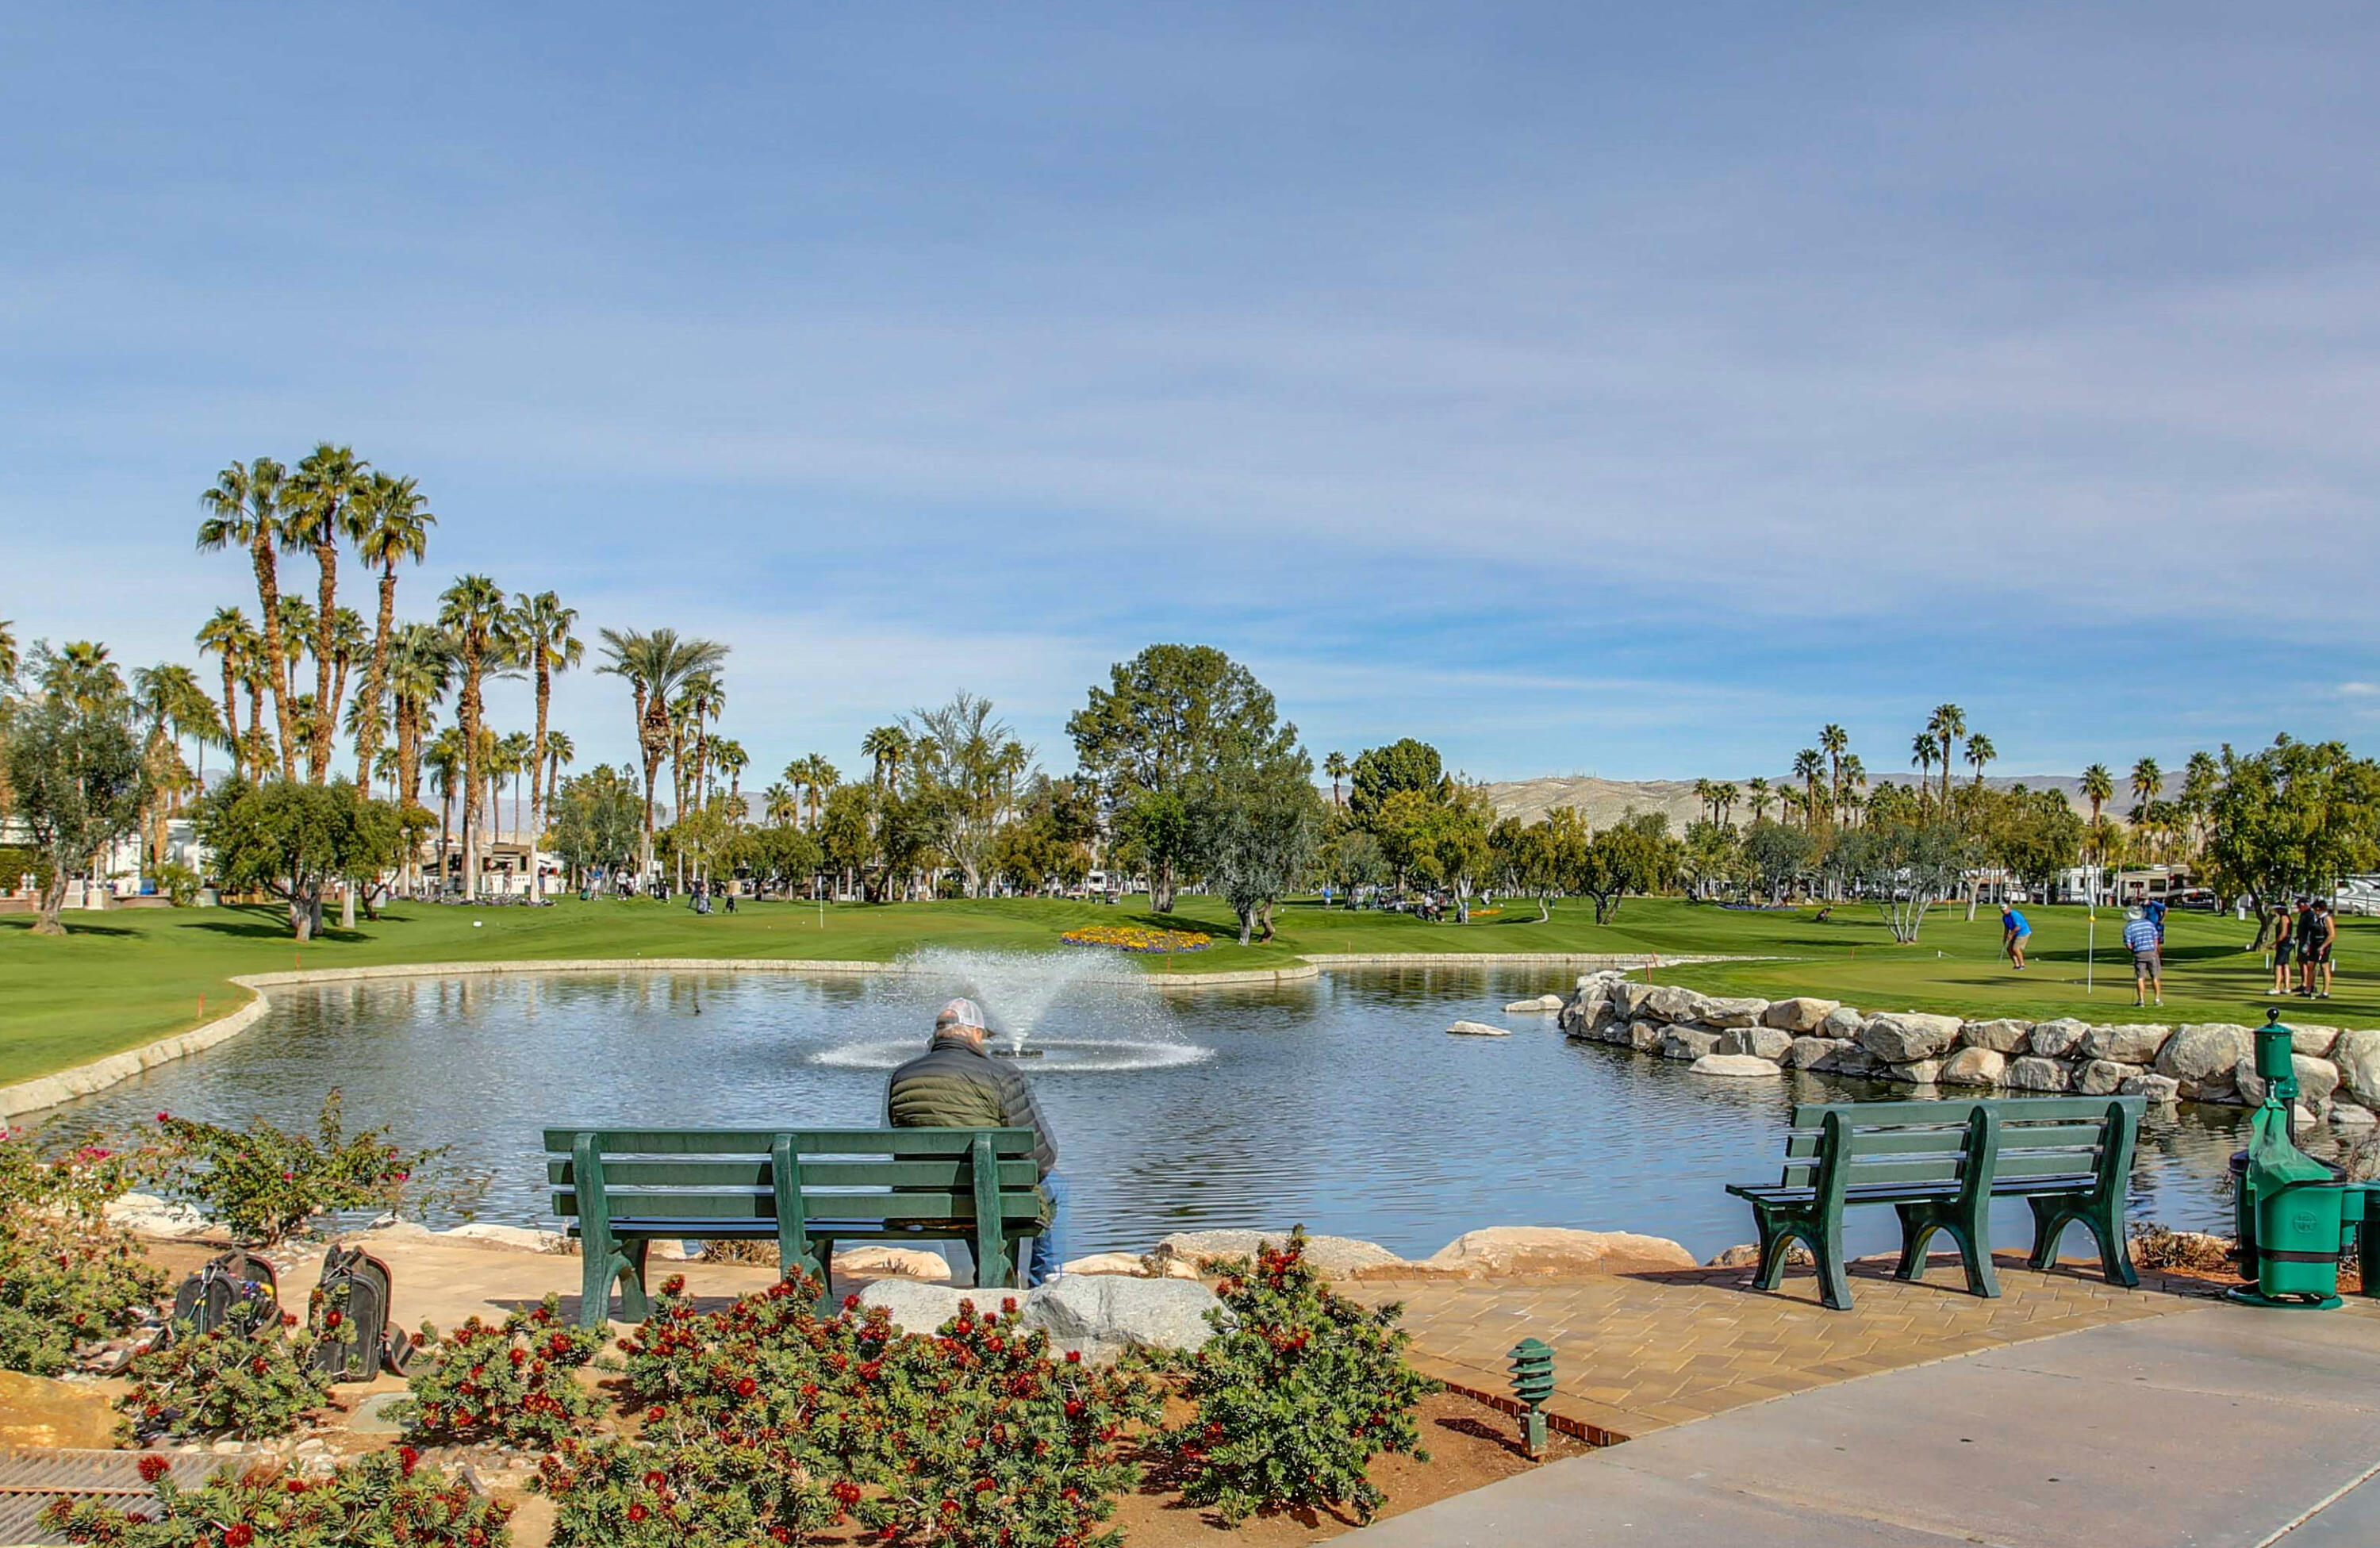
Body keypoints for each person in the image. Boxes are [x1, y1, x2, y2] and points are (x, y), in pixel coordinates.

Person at [885, 997, 1064, 1289]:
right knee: (1055, 1187)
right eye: (984, 1037)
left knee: (972, 1187)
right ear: (976, 1034)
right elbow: (1041, 1157)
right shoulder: (1001, 1074)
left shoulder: (902, 1076)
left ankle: (986, 1274)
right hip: (988, 1198)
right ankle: (1043, 1284)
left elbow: (894, 1140)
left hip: (921, 1202)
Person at [2122, 905, 2163, 1008]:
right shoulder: (2150, 924)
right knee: (2155, 977)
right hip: (2152, 953)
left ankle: (2141, 1001)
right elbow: (2155, 940)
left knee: (2140, 977)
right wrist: (2155, 951)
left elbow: (2128, 945)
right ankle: (2157, 999)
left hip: (2139, 953)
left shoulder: (2128, 927)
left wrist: (2133, 951)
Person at [2305, 898, 2338, 999]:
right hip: (2314, 945)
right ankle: (2308, 989)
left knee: (2324, 968)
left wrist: (2322, 946)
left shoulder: (2326, 918)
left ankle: (2325, 992)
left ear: (2318, 909)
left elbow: (2332, 935)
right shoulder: (2316, 919)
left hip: (2324, 946)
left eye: (2314, 909)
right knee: (2310, 966)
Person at [2297, 897, 2324, 996]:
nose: (2299, 908)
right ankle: (2305, 984)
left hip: (2309, 942)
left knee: (2308, 964)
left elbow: (2311, 930)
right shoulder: (2304, 914)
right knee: (2302, 962)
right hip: (2303, 940)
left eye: (2300, 906)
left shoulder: (2310, 914)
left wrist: (2307, 944)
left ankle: (2308, 985)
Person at [2270, 901, 2297, 996]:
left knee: (2278, 965)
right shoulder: (2287, 917)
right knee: (2285, 964)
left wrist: (2275, 943)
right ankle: (2287, 987)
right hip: (2287, 943)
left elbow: (2284, 933)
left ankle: (2277, 987)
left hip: (2284, 944)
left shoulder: (2284, 918)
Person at [2000, 901, 2032, 970]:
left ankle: (2022, 965)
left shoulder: (2014, 915)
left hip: (2023, 932)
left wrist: (2011, 935)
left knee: (2015, 948)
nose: (2004, 912)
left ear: (2008, 908)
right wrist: (2005, 937)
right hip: (2015, 933)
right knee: (2009, 949)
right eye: (2002, 911)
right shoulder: (2004, 917)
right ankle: (2016, 965)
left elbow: (2018, 927)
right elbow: (2007, 928)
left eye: (2005, 910)